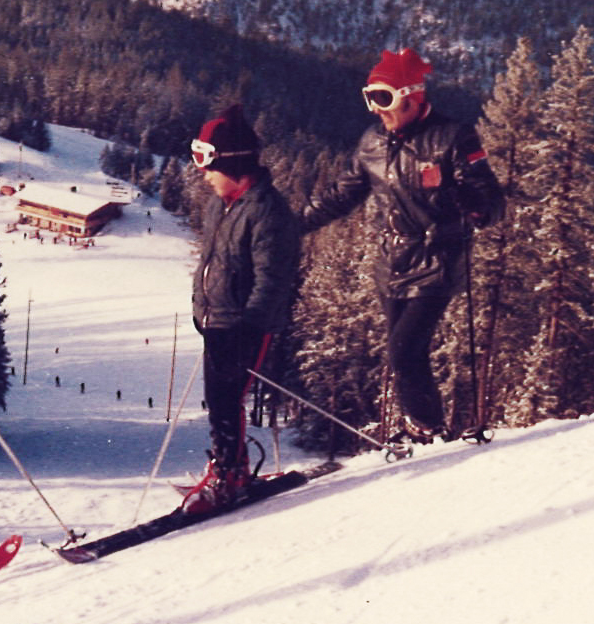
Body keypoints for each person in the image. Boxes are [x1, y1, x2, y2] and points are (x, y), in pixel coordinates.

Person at [301, 48, 504, 443]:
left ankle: (424, 430)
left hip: (437, 262)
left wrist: (476, 207)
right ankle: (429, 430)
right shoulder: (373, 142)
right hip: (390, 265)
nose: (377, 110)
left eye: (384, 99)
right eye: (370, 98)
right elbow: (342, 194)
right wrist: (292, 227)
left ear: (412, 96)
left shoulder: (453, 138)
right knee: (407, 356)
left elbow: (493, 202)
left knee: (404, 352)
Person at [184, 106, 300, 513]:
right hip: (217, 320)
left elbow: (273, 279)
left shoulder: (267, 212)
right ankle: (226, 466)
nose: (203, 173)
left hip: (244, 325)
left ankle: (230, 476)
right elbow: (213, 261)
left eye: (207, 162)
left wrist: (248, 328)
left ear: (232, 163)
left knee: (226, 398)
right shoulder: (221, 203)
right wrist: (201, 306)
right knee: (218, 399)